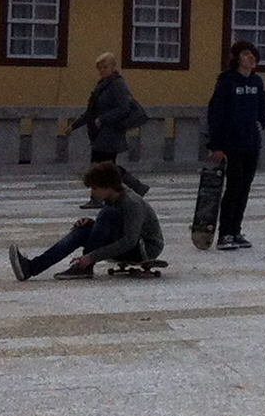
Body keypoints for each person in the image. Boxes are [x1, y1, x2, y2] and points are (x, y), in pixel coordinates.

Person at [9, 161, 165, 279]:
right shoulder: (113, 198)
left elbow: (129, 240)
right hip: (131, 242)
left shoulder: (131, 202)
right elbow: (117, 227)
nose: (92, 193)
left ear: (108, 187)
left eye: (95, 188)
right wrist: (93, 225)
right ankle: (31, 268)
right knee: (82, 231)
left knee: (107, 213)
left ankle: (85, 266)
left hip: (145, 248)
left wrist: (91, 257)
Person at [204, 40, 265, 251]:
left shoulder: (257, 82)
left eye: (252, 54)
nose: (250, 58)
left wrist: (261, 122)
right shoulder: (227, 82)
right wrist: (216, 145)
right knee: (233, 187)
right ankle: (225, 233)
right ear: (237, 59)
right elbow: (215, 113)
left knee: (244, 188)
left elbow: (263, 106)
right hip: (231, 144)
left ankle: (236, 230)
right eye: (245, 54)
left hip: (251, 143)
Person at [66, 52, 150, 194]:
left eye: (105, 67)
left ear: (113, 67)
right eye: (100, 68)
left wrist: (103, 119)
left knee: (100, 167)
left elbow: (124, 108)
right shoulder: (102, 85)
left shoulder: (117, 84)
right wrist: (74, 125)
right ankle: (132, 188)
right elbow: (91, 112)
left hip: (112, 133)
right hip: (101, 133)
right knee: (107, 168)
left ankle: (104, 196)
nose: (102, 71)